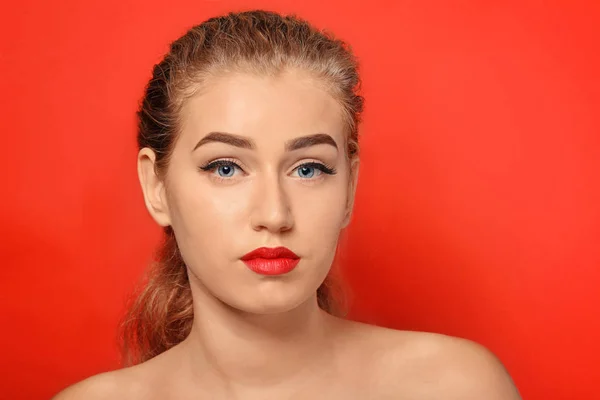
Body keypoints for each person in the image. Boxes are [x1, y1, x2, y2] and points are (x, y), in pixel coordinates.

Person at [54, 9, 521, 399]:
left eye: (308, 169)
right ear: (156, 187)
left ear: (349, 188)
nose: (275, 215)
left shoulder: (453, 386)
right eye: (225, 167)